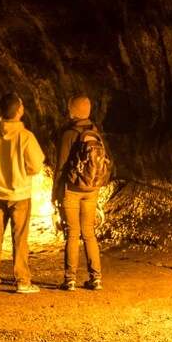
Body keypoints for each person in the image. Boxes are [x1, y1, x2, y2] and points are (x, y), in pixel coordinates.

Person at [0, 92, 45, 294]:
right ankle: (22, 281)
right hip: (20, 195)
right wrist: (22, 173)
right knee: (20, 239)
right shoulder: (25, 137)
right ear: (19, 111)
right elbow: (36, 166)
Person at [54, 95, 110, 291]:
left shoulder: (69, 134)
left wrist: (55, 192)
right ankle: (96, 278)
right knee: (89, 233)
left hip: (73, 189)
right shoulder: (96, 133)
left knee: (72, 233)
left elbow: (61, 167)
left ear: (73, 111)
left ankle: (70, 279)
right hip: (91, 189)